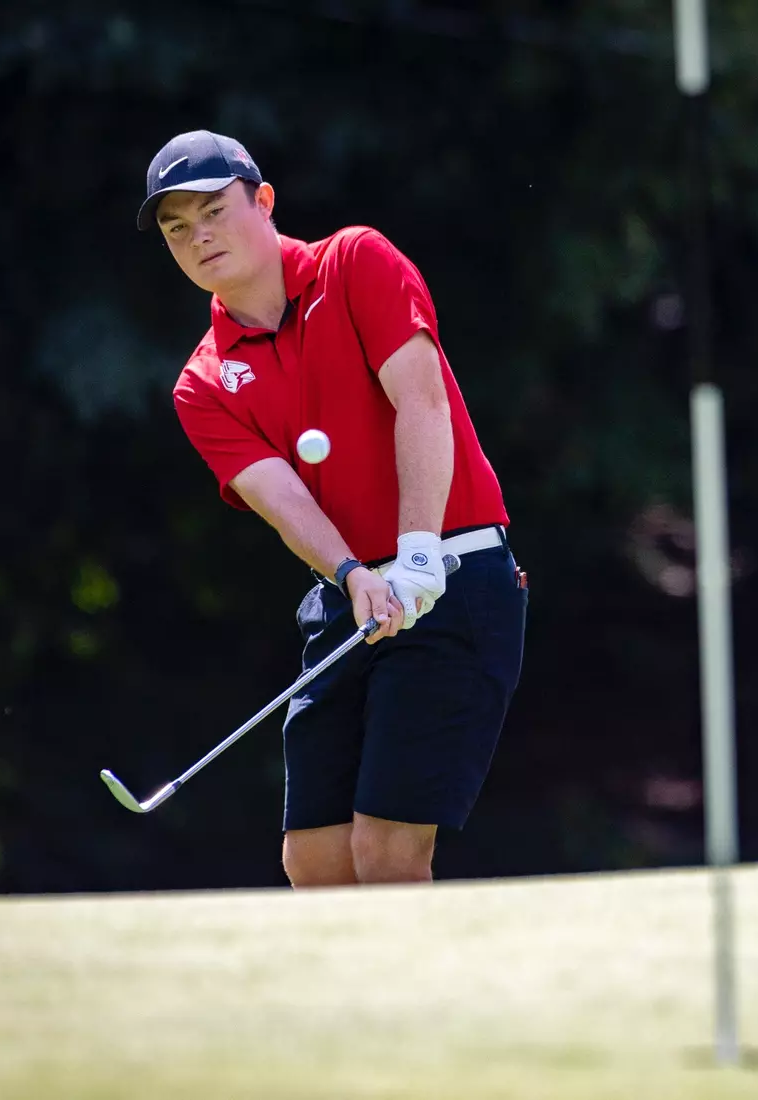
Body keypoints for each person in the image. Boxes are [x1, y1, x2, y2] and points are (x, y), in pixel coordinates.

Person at [137, 130, 526, 887]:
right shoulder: (203, 382)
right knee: (313, 858)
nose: (199, 237)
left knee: (387, 850)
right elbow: (281, 499)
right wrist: (351, 573)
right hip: (351, 598)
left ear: (264, 201)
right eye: (177, 228)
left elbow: (423, 401)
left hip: (455, 574)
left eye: (214, 211)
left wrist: (418, 549)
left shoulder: (355, 263)